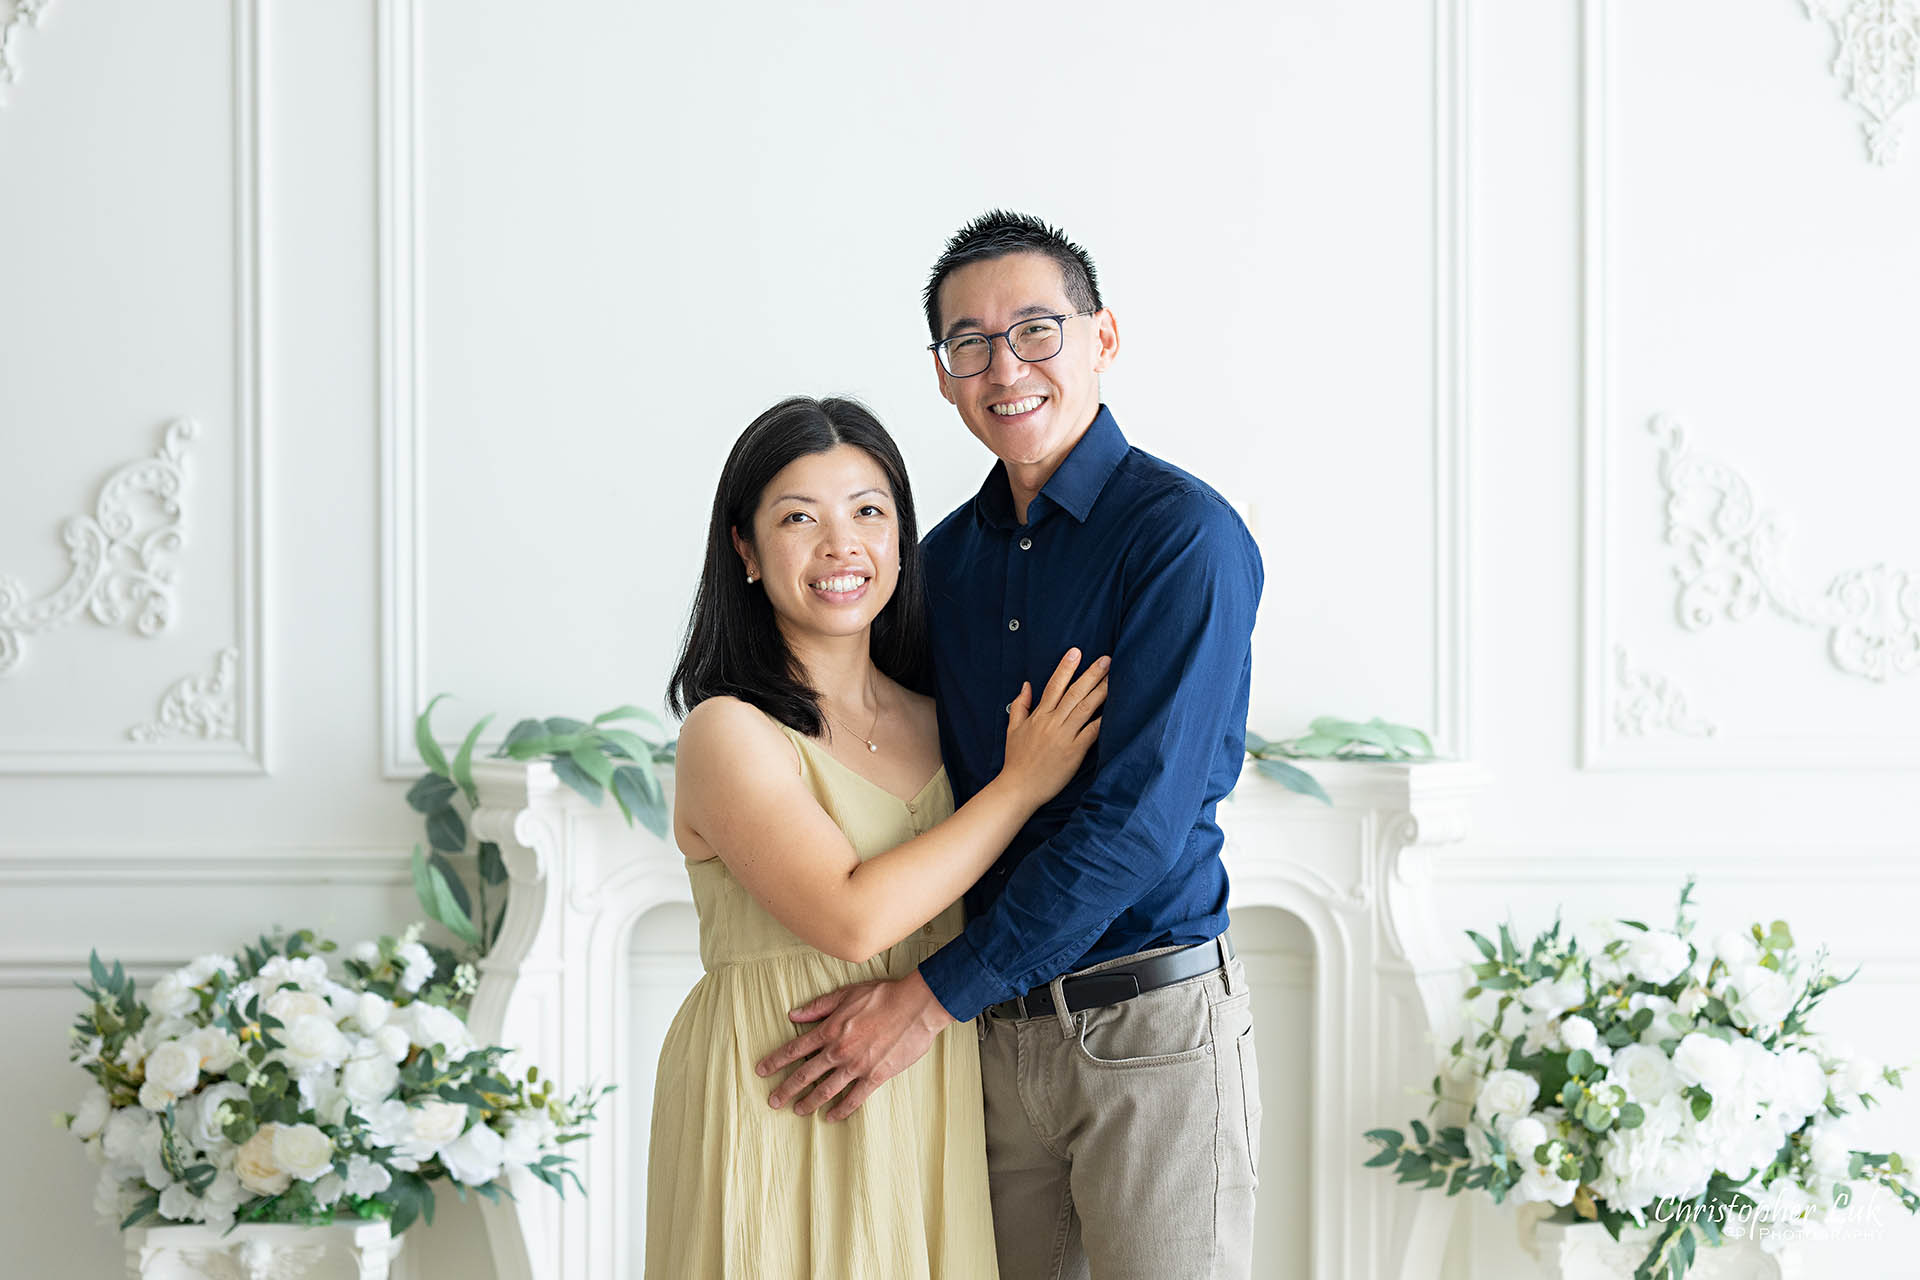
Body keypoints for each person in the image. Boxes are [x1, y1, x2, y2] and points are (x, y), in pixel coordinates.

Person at [755, 213, 1266, 1279]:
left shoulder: (1183, 538)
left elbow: (1135, 825)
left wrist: (930, 995)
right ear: (944, 375)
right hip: (986, 1043)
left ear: (1103, 337)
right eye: (970, 343)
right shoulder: (937, 562)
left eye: (1036, 329)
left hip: (1147, 1028)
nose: (1005, 366)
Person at [646, 394, 1109, 1279]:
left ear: (902, 538)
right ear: (743, 550)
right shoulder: (728, 730)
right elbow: (851, 919)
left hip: (929, 1082)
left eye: (869, 512)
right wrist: (1019, 786)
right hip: (780, 1084)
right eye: (797, 518)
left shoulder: (950, 718)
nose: (840, 545)